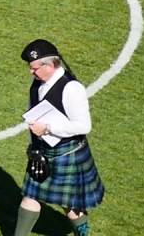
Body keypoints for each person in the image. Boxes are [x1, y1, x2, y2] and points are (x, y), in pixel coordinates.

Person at [14, 39, 105, 236]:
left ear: (50, 65)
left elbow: (83, 126)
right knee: (30, 196)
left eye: (35, 68)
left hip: (67, 153)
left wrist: (47, 128)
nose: (31, 72)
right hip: (43, 151)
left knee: (70, 205)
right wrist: (33, 145)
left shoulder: (72, 89)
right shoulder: (38, 83)